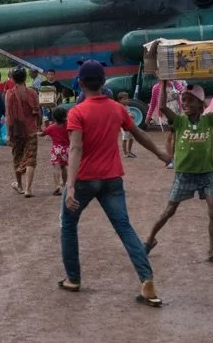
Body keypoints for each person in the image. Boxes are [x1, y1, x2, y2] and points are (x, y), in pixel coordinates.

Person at [59, 60, 170, 306]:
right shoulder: (117, 108)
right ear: (103, 82)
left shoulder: (77, 112)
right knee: (125, 228)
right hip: (111, 179)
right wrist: (160, 153)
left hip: (85, 180)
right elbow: (139, 134)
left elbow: (76, 148)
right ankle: (147, 280)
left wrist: (69, 186)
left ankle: (73, 278)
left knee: (68, 224)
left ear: (80, 83)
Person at [144, 78, 213, 264]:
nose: (185, 104)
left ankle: (212, 251)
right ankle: (150, 240)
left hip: (207, 174)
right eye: (183, 100)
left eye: (190, 100)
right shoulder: (179, 121)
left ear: (201, 104)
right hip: (184, 174)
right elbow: (162, 107)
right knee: (169, 211)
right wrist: (163, 83)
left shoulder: (208, 120)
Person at [4, 67, 40, 198]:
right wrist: (39, 126)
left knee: (17, 157)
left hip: (16, 131)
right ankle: (28, 189)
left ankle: (19, 185)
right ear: (26, 78)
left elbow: (9, 116)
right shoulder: (33, 93)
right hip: (31, 129)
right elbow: (38, 112)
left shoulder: (9, 93)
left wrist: (8, 134)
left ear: (13, 79)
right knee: (31, 159)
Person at [145, 78, 186, 169]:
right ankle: (170, 160)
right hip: (164, 115)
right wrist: (148, 117)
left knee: (177, 137)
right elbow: (153, 103)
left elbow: (184, 92)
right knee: (168, 137)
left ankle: (176, 157)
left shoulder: (175, 84)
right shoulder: (156, 88)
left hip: (176, 114)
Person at [41, 106, 71, 195]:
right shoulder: (68, 125)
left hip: (56, 149)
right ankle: (65, 183)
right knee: (64, 167)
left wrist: (35, 133)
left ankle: (57, 185)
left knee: (56, 168)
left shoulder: (51, 127)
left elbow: (43, 133)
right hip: (66, 149)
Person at [116, 91, 136, 157]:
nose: (126, 100)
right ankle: (125, 153)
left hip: (129, 124)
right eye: (124, 99)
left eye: (127, 99)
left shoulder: (127, 107)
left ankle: (129, 151)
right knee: (125, 138)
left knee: (131, 138)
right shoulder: (119, 107)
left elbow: (128, 113)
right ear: (120, 100)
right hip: (124, 126)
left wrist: (131, 116)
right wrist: (129, 116)